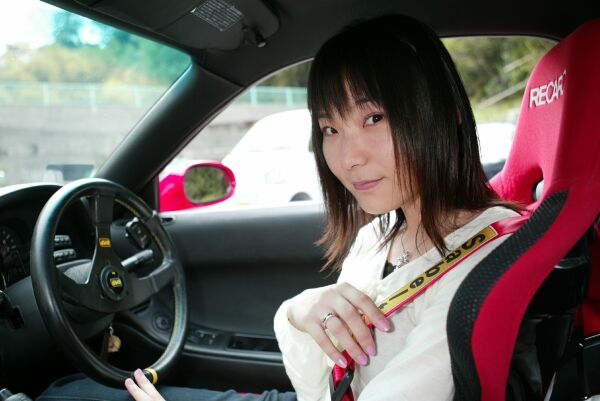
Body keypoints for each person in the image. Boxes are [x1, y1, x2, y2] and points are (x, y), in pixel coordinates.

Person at [37, 13, 520, 401]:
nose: (347, 157)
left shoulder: (479, 267)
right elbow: (320, 383)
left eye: (374, 117)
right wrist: (299, 310)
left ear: (447, 114)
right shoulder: (382, 232)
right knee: (68, 391)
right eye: (330, 129)